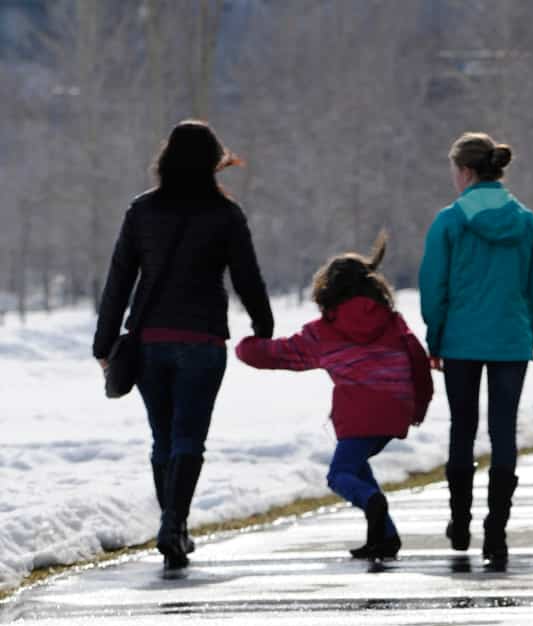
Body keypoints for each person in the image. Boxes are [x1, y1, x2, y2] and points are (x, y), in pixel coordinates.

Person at [92, 120, 274, 571]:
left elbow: (119, 279)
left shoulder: (141, 211)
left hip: (151, 339)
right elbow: (247, 276)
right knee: (189, 436)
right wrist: (263, 326)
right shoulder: (226, 214)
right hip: (203, 340)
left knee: (163, 437)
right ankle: (174, 524)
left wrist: (104, 341)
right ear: (213, 162)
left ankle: (174, 524)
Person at [235, 234, 433, 561]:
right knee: (358, 468)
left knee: (339, 476)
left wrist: (246, 348)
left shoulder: (324, 330)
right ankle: (385, 537)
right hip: (395, 411)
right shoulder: (391, 321)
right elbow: (416, 358)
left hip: (359, 415)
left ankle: (372, 503)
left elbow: (282, 354)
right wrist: (419, 405)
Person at [419, 132, 533, 570]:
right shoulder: (526, 221)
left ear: (467, 171)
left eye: (455, 171)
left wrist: (435, 337)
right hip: (510, 339)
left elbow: (433, 286)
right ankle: (497, 530)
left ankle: (459, 522)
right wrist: (527, 334)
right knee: (503, 431)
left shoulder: (450, 221)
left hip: (460, 340)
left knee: (463, 427)